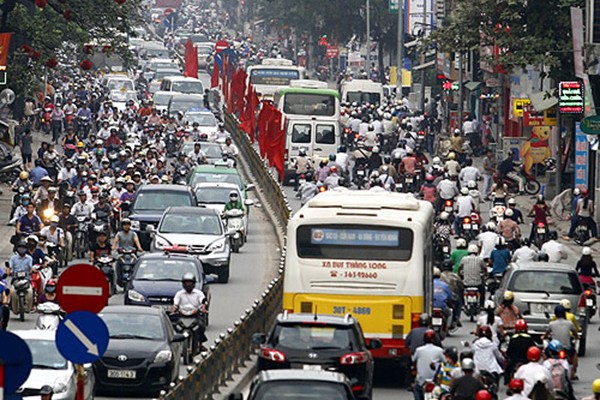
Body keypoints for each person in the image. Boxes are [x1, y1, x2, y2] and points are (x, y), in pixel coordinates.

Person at [170, 273, 208, 350]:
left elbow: (203, 301)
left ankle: (200, 344)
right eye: (186, 283)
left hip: (195, 315)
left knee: (200, 326)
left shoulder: (198, 293)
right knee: (174, 326)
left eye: (190, 283)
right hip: (182, 315)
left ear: (193, 283)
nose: (188, 285)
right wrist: (173, 309)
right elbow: (175, 303)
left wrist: (203, 307)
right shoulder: (179, 294)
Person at [544, 305, 577, 380]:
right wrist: (576, 338)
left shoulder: (551, 324)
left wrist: (543, 337)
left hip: (554, 348)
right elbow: (575, 333)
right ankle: (573, 372)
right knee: (574, 354)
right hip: (566, 348)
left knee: (545, 354)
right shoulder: (569, 323)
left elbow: (546, 335)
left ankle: (545, 370)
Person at [412, 329, 445, 400]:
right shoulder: (439, 350)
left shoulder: (419, 350)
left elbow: (413, 360)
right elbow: (445, 362)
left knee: (415, 389)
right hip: (435, 380)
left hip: (421, 381)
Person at [505, 319, 538, 385]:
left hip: (514, 361)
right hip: (526, 360)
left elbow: (509, 351)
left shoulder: (513, 338)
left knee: (507, 370)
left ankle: (507, 382)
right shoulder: (529, 338)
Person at [7, 241, 33, 315]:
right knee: (13, 292)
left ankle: (28, 308)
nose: (22, 250)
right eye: (20, 248)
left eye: (24, 248)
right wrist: (9, 272)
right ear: (17, 249)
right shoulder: (13, 258)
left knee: (30, 292)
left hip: (26, 279)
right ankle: (15, 310)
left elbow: (31, 268)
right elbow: (10, 267)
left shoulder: (29, 258)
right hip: (16, 279)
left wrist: (32, 271)